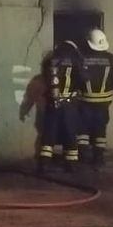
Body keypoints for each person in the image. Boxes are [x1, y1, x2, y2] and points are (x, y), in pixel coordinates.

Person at [36, 39, 87, 173]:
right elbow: (84, 79)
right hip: (69, 104)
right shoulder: (76, 61)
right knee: (70, 133)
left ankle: (44, 163)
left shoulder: (50, 60)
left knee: (49, 132)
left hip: (52, 103)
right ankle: (70, 163)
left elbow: (45, 78)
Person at [79, 28, 113, 168]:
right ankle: (98, 157)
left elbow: (76, 77)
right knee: (100, 128)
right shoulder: (111, 59)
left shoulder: (81, 58)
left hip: (85, 100)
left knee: (83, 127)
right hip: (103, 102)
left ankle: (81, 155)